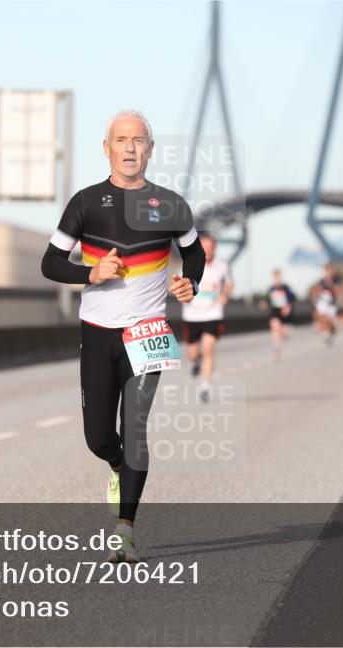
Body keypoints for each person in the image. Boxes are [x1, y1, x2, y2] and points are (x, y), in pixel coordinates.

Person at [41, 110, 205, 563]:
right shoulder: (86, 203)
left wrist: (190, 282)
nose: (130, 147)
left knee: (134, 429)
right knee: (99, 437)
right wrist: (90, 272)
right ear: (107, 148)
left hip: (148, 330)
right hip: (97, 331)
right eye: (121, 139)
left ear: (151, 149)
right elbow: (50, 263)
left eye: (139, 139)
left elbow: (193, 254)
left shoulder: (171, 205)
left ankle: (124, 530)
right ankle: (115, 465)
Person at [182, 234, 233, 403]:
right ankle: (196, 362)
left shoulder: (222, 266)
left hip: (213, 313)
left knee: (209, 348)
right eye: (204, 247)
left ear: (215, 248)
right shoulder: (189, 263)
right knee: (193, 353)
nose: (207, 251)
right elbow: (176, 281)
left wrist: (225, 294)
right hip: (192, 314)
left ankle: (205, 386)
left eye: (210, 247)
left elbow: (229, 283)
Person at [265, 269, 295, 360]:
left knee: (283, 332)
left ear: (280, 277)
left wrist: (288, 307)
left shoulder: (286, 288)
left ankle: (286, 333)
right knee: (274, 327)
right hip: (275, 311)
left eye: (278, 277)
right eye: (275, 277)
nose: (276, 279)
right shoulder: (271, 289)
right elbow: (266, 298)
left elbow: (292, 298)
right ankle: (277, 349)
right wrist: (263, 302)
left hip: (284, 312)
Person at [309, 265, 338, 346]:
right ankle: (325, 333)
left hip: (331, 304)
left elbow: (337, 291)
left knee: (330, 321)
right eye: (326, 271)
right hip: (323, 302)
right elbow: (316, 290)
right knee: (323, 317)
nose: (328, 273)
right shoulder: (321, 282)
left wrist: (332, 286)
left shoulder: (335, 281)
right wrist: (315, 296)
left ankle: (330, 331)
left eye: (329, 271)